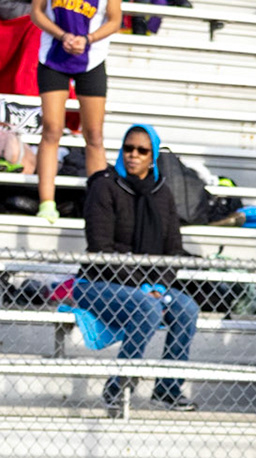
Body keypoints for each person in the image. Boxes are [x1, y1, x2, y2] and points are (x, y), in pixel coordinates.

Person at [76, 123, 197, 414]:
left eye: (142, 151)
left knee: (187, 309)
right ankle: (116, 389)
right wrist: (143, 286)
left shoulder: (162, 194)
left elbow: (174, 251)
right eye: (128, 148)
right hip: (98, 284)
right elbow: (101, 249)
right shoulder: (105, 186)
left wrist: (158, 286)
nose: (133, 155)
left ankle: (168, 388)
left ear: (152, 156)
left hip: (150, 287)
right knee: (148, 308)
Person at [31, 0, 119, 223]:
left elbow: (115, 20)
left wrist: (89, 39)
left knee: (94, 134)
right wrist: (62, 36)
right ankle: (47, 202)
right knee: (52, 129)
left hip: (92, 58)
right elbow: (37, 13)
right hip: (53, 57)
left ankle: (99, 205)